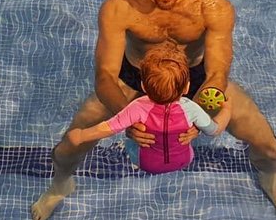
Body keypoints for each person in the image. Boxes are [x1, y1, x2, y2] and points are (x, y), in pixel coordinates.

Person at [31, 0, 276, 220]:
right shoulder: (120, 7)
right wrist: (130, 118)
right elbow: (106, 75)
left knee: (270, 149)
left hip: (197, 81)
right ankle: (60, 186)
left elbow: (217, 74)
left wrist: (197, 114)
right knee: (67, 149)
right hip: (133, 82)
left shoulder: (213, 7)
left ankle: (270, 181)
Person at [66, 41, 232, 174]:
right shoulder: (192, 108)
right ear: (187, 88)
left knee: (131, 140)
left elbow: (109, 128)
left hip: (147, 164)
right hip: (183, 160)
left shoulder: (137, 107)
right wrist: (226, 110)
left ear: (143, 86)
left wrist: (81, 135)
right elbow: (214, 130)